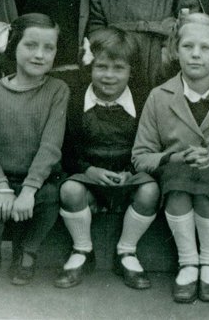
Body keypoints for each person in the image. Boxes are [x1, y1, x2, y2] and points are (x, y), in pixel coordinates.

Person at [133, 13, 209, 303]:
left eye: (205, 48)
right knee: (178, 176)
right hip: (175, 182)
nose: (196, 55)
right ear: (176, 50)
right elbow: (140, 156)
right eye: (188, 46)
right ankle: (188, 263)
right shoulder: (159, 96)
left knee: (207, 180)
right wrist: (172, 157)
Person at [55, 27, 159, 291]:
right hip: (89, 178)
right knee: (69, 189)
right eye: (101, 67)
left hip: (129, 175)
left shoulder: (145, 99)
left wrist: (129, 170)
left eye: (118, 68)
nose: (109, 76)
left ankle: (126, 251)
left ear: (130, 71)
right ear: (90, 67)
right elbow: (66, 149)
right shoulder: (75, 101)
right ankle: (82, 250)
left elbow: (149, 144)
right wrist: (87, 170)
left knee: (150, 191)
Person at [0, 14, 68, 285]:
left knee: (49, 199)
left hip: (38, 181)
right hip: (1, 178)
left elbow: (51, 146)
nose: (39, 55)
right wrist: (1, 187)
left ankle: (28, 252)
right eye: (30, 45)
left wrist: (29, 190)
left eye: (48, 48)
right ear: (14, 45)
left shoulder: (57, 90)